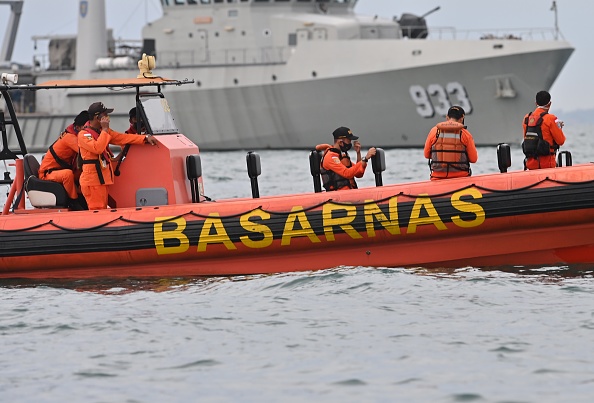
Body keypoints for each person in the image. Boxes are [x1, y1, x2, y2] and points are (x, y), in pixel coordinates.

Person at [78, 101, 158, 210]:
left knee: (102, 208)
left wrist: (144, 138)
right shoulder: (83, 135)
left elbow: (121, 138)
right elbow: (98, 148)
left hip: (102, 179)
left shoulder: (102, 131)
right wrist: (105, 129)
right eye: (105, 115)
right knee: (97, 210)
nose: (107, 118)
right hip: (93, 181)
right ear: (98, 118)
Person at [38, 110, 90, 209]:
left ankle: (84, 197)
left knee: (82, 173)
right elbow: (87, 152)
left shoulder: (73, 135)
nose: (88, 129)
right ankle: (74, 202)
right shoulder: (70, 138)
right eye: (86, 126)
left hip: (58, 170)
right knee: (67, 174)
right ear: (78, 127)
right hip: (47, 173)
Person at [424, 105, 478, 180]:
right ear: (462, 118)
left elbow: (426, 155)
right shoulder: (465, 134)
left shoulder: (434, 131)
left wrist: (441, 156)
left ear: (447, 117)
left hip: (437, 177)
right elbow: (473, 159)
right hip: (461, 177)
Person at [316, 126, 376, 191]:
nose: (350, 143)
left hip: (349, 193)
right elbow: (347, 173)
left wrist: (358, 153)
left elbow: (359, 174)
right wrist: (365, 158)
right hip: (337, 196)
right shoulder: (331, 157)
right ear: (340, 142)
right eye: (349, 140)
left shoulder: (341, 155)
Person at [522, 90, 566, 170]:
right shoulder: (551, 119)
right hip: (547, 164)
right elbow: (561, 141)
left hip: (530, 164)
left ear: (536, 103)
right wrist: (559, 127)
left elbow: (526, 138)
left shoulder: (527, 118)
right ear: (549, 104)